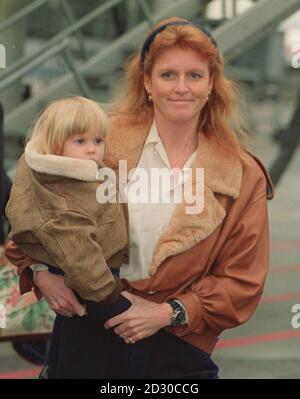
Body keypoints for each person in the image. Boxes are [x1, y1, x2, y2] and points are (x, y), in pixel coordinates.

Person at [6, 17, 274, 379]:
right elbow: (33, 206)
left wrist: (168, 312)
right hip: (87, 334)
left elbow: (242, 281)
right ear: (147, 81)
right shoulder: (97, 143)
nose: (182, 88)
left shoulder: (242, 173)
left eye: (194, 75)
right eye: (168, 75)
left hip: (175, 346)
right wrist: (40, 273)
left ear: (212, 84)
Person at [5, 96, 128, 308]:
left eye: (98, 141)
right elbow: (83, 262)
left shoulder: (53, 170)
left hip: (88, 278)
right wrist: (113, 293)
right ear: (55, 145)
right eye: (80, 141)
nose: (92, 149)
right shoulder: (66, 197)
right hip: (94, 288)